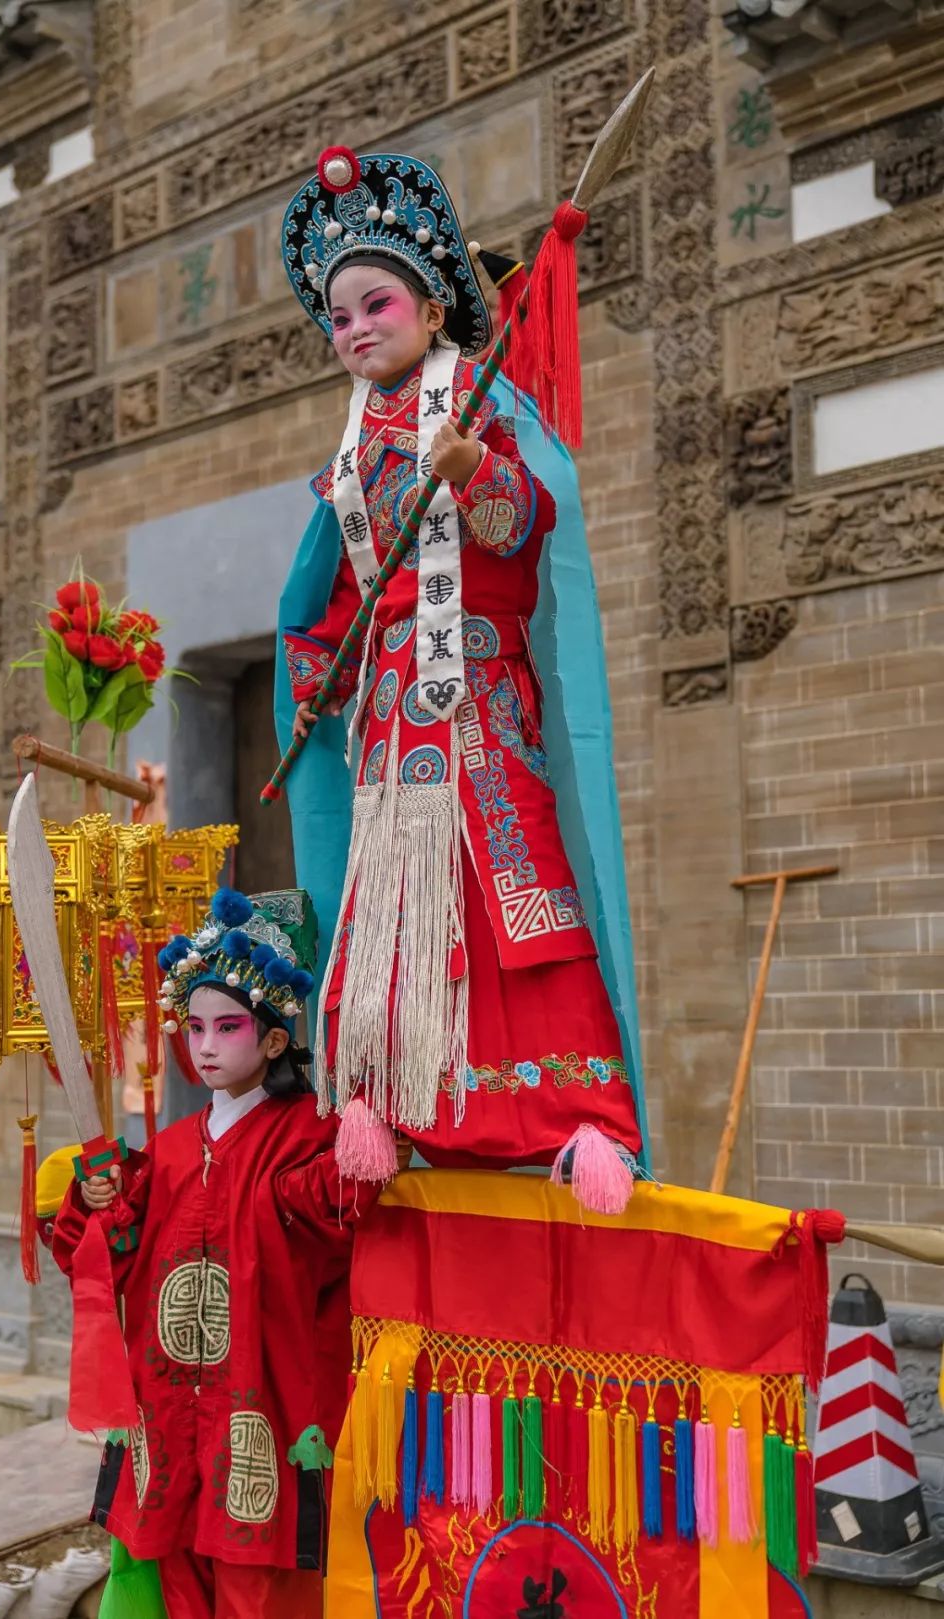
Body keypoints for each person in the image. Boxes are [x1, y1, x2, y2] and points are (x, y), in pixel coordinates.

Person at [274, 145, 650, 1210]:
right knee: (384, 911)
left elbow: (529, 525)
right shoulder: (345, 466)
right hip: (391, 728)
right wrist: (316, 683)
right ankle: (388, 1107)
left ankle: (577, 1116)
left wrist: (477, 468)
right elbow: (326, 605)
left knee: (517, 898)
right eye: (338, 318)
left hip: (478, 702)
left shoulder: (479, 408)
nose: (355, 329)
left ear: (434, 309)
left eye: (374, 303)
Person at [50, 885, 405, 1619]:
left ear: (275, 1038)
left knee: (259, 1595)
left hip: (263, 1417)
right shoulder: (171, 1152)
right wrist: (98, 1203)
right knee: (174, 1581)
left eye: (228, 1026)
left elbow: (334, 1209)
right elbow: (107, 1257)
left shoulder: (306, 1138)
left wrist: (368, 1133)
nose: (205, 1044)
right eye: (196, 1027)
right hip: (168, 1418)